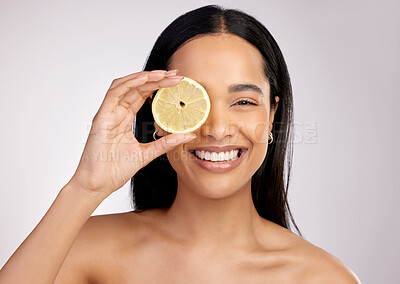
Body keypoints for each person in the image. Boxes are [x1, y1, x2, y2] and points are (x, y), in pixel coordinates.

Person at [0, 5, 361, 283]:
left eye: (244, 102)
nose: (218, 129)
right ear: (158, 114)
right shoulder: (86, 249)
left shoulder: (322, 276)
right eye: (192, 101)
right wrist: (84, 188)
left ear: (271, 116)